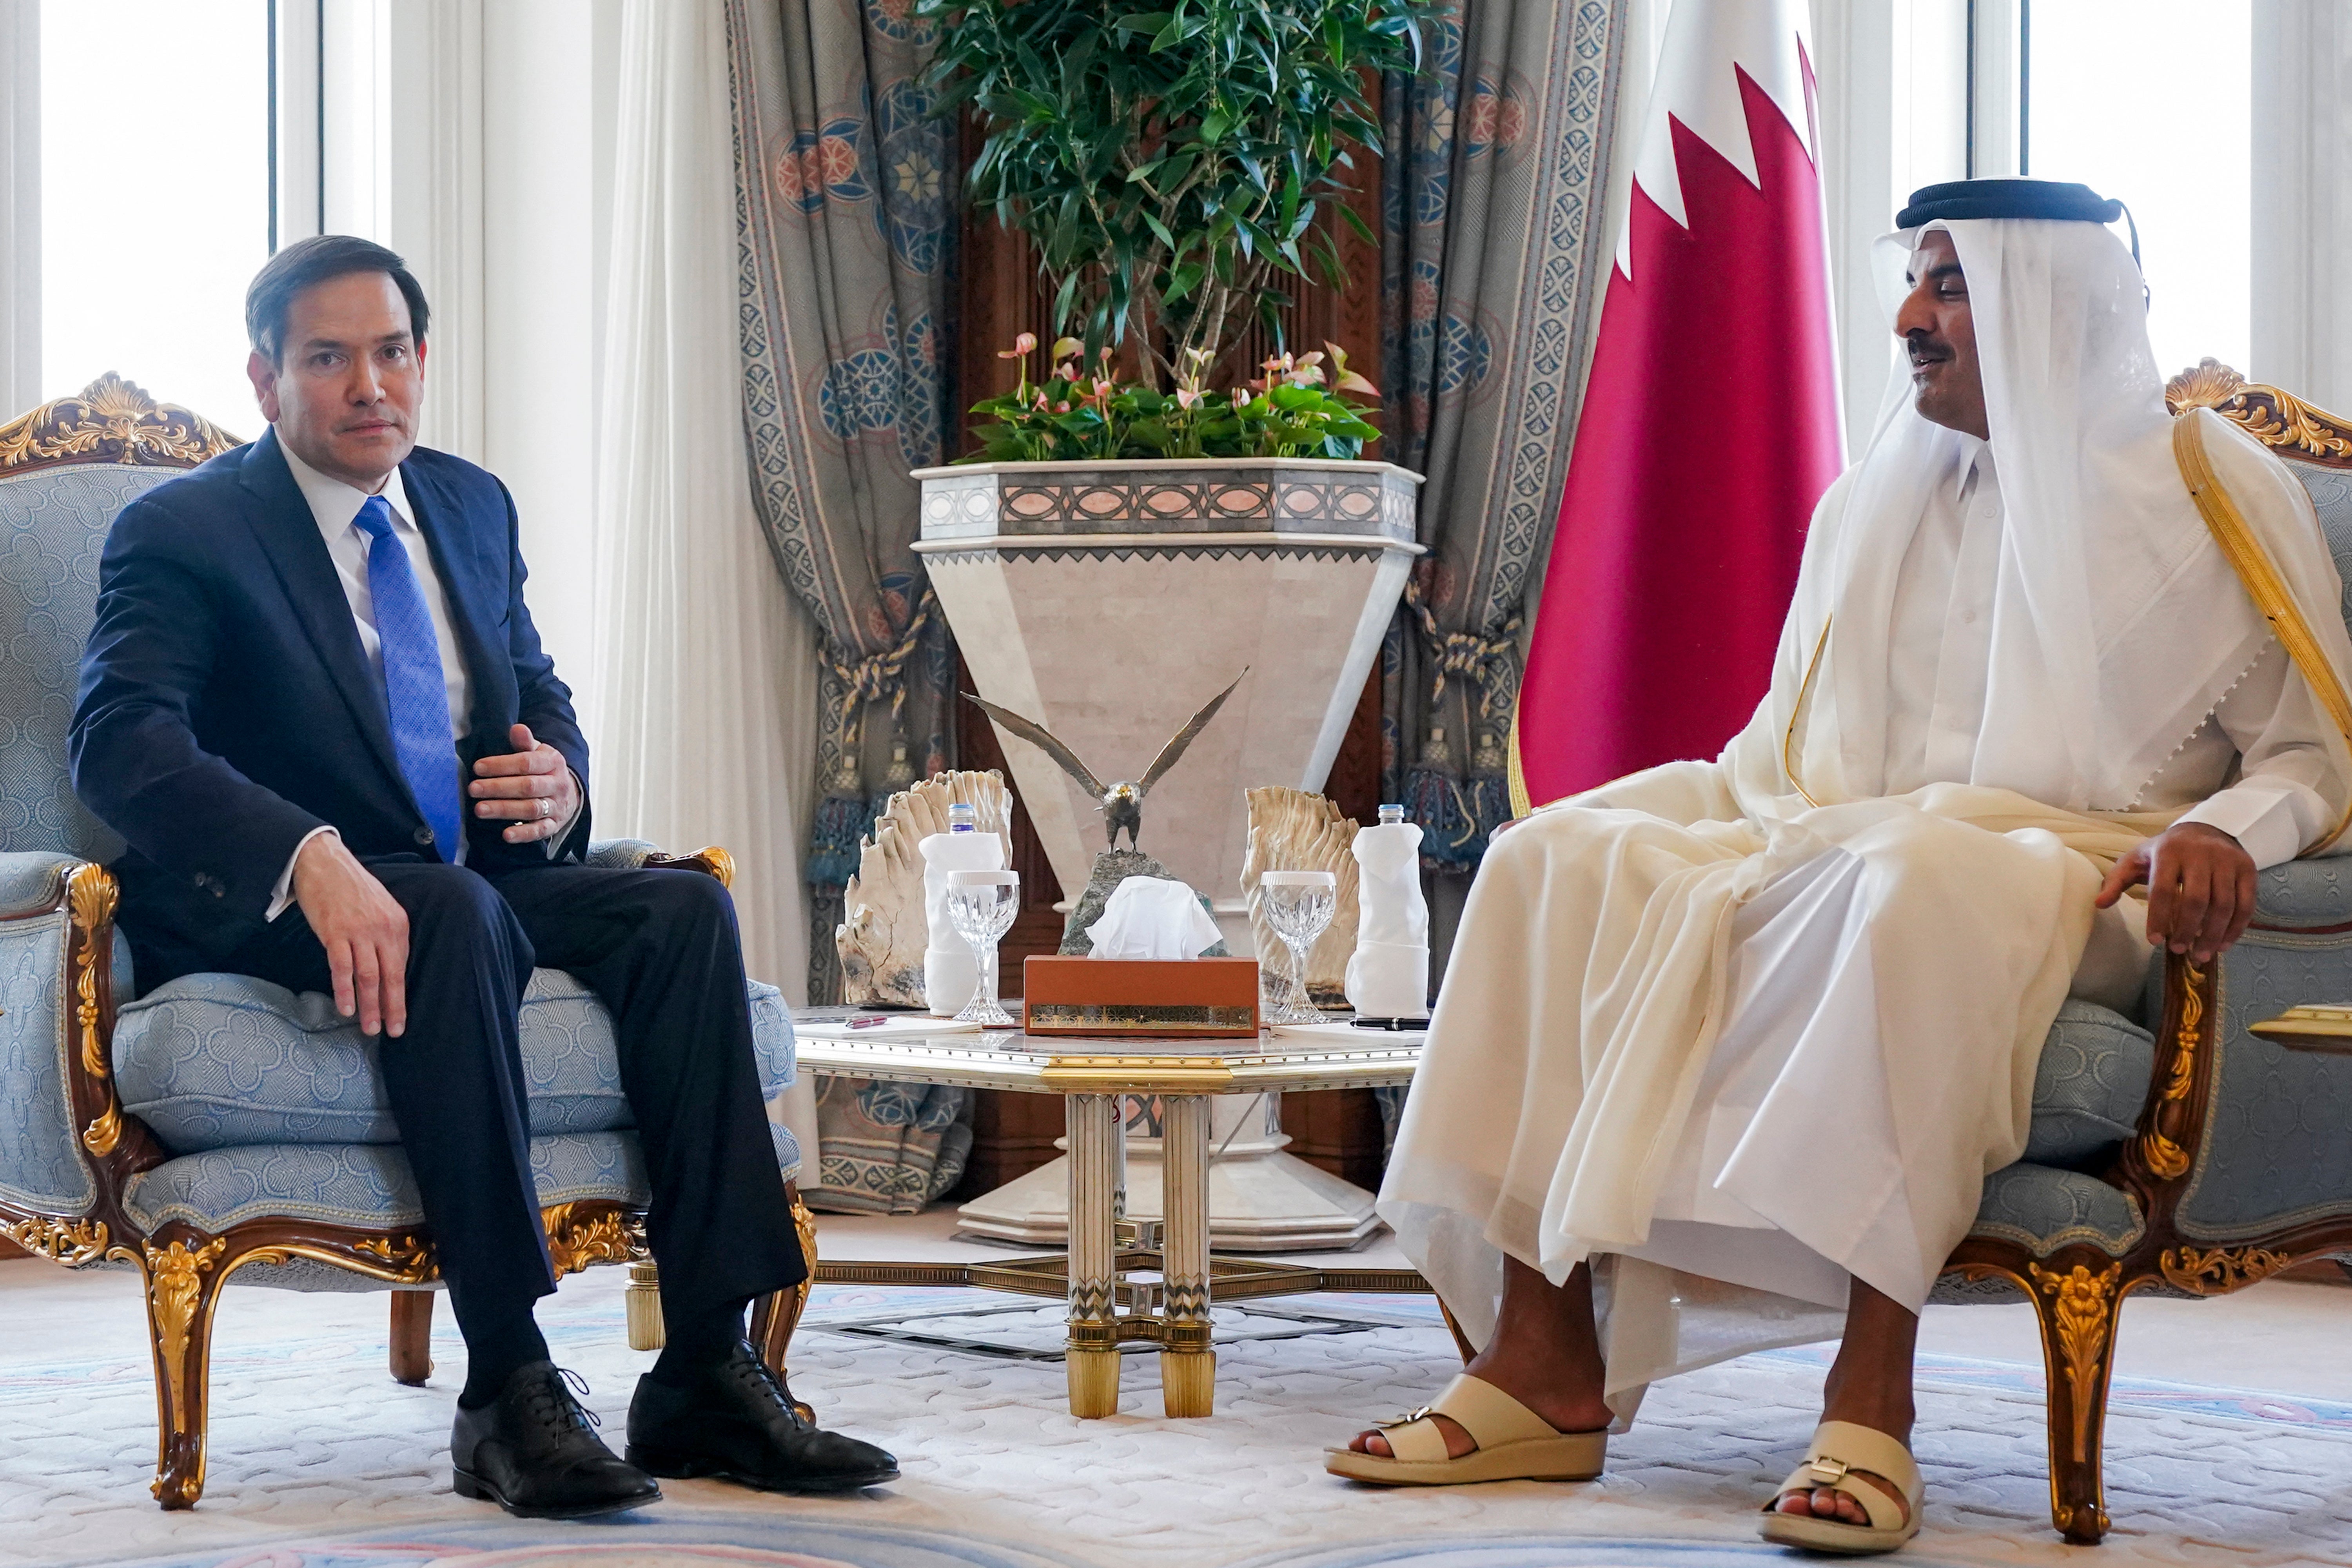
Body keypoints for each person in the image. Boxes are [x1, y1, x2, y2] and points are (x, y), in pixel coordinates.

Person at [1328, 178, 2352, 1554]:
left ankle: (1872, 1401)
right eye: (1915, 285)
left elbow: (2319, 754)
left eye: (1948, 289)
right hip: (1839, 834)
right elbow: (1785, 761)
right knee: (1549, 857)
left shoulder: (2204, 481)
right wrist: (1702, 831)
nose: (1908, 321)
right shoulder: (1881, 489)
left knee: (1914, 878)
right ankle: (1543, 1363)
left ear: (2049, 305)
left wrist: (2229, 832)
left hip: (2082, 876)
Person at [71, 234, 898, 1520]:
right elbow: (122, 744)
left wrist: (560, 776)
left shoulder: (467, 503)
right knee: (444, 909)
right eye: (329, 358)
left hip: (466, 880)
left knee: (685, 908)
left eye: (392, 352)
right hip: (279, 905)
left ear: (421, 358)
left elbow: (540, 692)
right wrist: (306, 853)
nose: (369, 386)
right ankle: (507, 1387)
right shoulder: (186, 530)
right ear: (264, 378)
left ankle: (705, 1371)